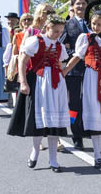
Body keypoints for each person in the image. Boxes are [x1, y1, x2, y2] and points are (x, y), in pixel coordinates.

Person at [8, 16, 70, 172]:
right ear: (47, 28)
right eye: (55, 31)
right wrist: (23, 82)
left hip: (56, 85)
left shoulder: (60, 46)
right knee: (39, 121)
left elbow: (59, 64)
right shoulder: (35, 41)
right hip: (39, 83)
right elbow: (22, 61)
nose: (58, 34)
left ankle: (53, 159)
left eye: (60, 31)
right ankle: (35, 151)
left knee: (55, 123)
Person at [62, 7, 101, 170]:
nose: (96, 27)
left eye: (99, 24)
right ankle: (97, 155)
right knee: (93, 111)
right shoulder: (84, 38)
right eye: (93, 24)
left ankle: (100, 148)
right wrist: (65, 71)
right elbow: (77, 56)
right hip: (91, 78)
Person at [62, 0, 91, 151]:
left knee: (90, 102)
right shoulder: (68, 24)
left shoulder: (93, 22)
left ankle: (90, 130)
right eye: (78, 3)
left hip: (92, 70)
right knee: (74, 104)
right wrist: (76, 53)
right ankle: (76, 135)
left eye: (83, 3)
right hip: (74, 70)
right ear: (73, 6)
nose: (81, 6)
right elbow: (61, 46)